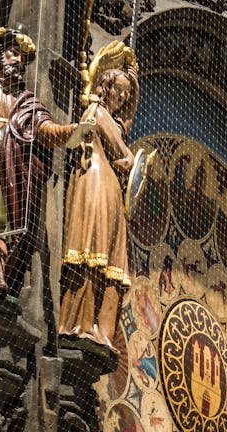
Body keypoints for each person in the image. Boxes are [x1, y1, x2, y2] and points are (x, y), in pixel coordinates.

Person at [0, 28, 78, 304]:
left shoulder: (28, 101)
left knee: (15, 224)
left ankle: (4, 279)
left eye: (23, 57)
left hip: (17, 168)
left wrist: (71, 132)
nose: (18, 60)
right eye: (14, 52)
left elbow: (45, 130)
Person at [59, 41, 140, 347]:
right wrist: (128, 161)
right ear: (105, 85)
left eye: (126, 94)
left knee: (108, 258)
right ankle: (79, 323)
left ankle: (99, 329)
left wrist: (134, 79)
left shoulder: (115, 118)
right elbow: (126, 155)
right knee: (93, 250)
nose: (122, 97)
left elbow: (127, 122)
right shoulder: (97, 111)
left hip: (108, 185)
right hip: (96, 180)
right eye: (118, 89)